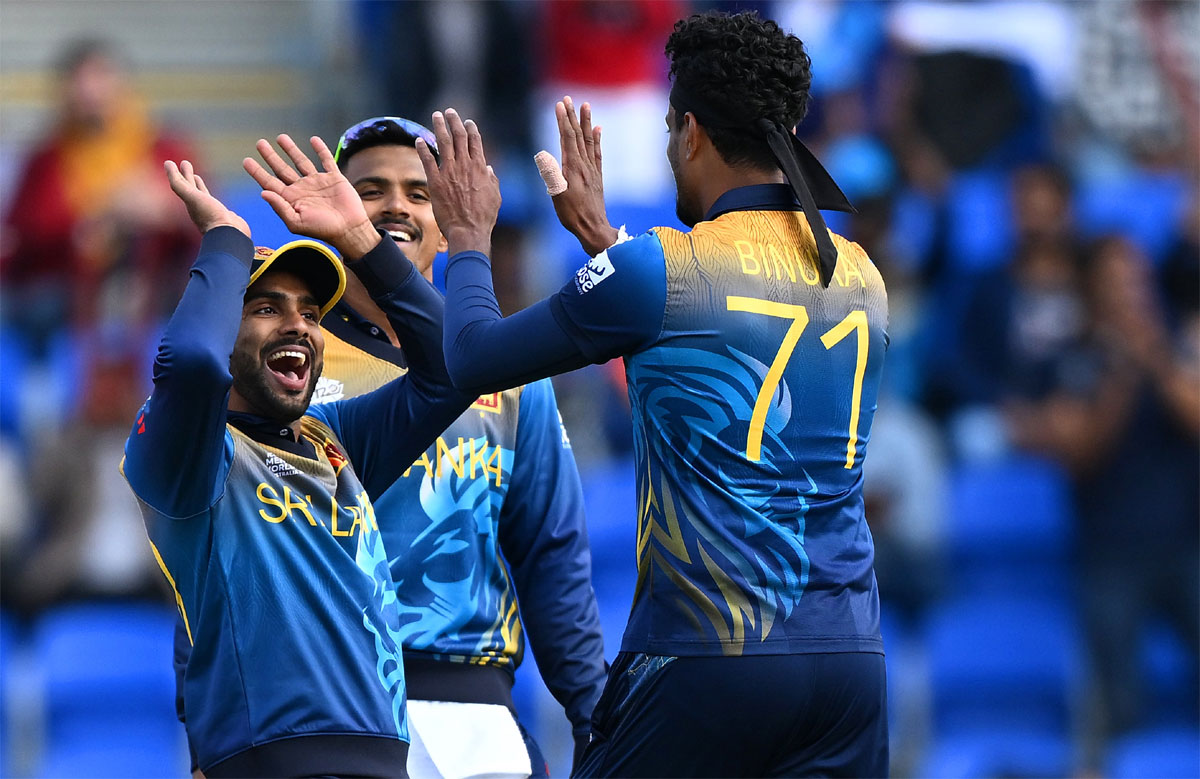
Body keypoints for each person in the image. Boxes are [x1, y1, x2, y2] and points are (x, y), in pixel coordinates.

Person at [419, 10, 890, 776]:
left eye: (672, 131)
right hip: (850, 662)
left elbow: (471, 358)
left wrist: (470, 236)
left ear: (693, 132)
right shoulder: (861, 272)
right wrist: (605, 242)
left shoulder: (656, 271)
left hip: (709, 655)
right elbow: (709, 334)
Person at [123, 135, 472, 777]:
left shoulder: (333, 439)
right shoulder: (191, 455)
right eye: (265, 308)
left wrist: (363, 242)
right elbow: (192, 363)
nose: (299, 327)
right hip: (269, 761)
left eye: (312, 313)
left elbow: (455, 369)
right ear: (223, 325)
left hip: (385, 761)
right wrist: (226, 238)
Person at [324, 116, 607, 776]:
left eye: (419, 192)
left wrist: (594, 714)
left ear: (448, 212)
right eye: (370, 188)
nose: (396, 204)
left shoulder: (511, 370)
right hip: (329, 703)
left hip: (473, 713)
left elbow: (551, 553)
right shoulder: (286, 360)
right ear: (334, 205)